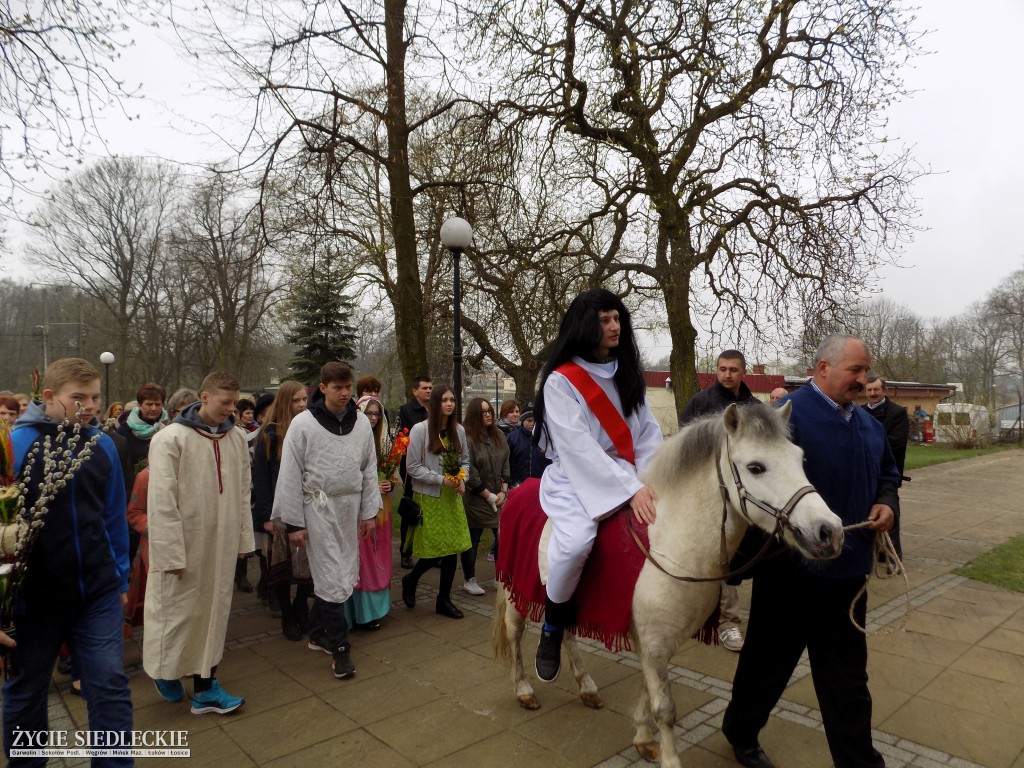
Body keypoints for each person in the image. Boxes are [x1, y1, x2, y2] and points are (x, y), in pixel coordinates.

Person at [722, 334, 898, 768]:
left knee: (848, 682)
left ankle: (859, 761)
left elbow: (889, 475)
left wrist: (887, 502)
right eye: (855, 371)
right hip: (789, 575)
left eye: (865, 371)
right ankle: (741, 734)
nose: (863, 379)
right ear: (823, 369)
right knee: (766, 667)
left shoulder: (870, 426)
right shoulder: (784, 418)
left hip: (849, 576)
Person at [5, 358, 133, 765]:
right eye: (78, 398)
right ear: (49, 398)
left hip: (95, 591)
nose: (90, 406)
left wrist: (121, 578)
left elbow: (113, 516)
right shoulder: (15, 445)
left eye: (95, 397)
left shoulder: (102, 444)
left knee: (110, 683)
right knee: (27, 690)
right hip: (32, 598)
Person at [531, 288, 662, 682]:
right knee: (575, 545)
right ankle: (553, 626)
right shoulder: (560, 381)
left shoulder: (627, 374)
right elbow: (577, 447)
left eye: (617, 318)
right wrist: (628, 488)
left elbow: (649, 435)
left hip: (630, 477)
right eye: (605, 320)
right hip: (575, 479)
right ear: (586, 326)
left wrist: (649, 481)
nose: (614, 326)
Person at [143, 371, 254, 715]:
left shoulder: (235, 437)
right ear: (204, 397)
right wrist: (170, 552)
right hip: (185, 545)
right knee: (177, 614)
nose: (231, 409)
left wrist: (242, 538)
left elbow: (243, 489)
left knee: (214, 614)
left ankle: (206, 688)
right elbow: (161, 501)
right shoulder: (170, 439)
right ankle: (166, 671)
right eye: (225, 402)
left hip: (220, 546)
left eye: (234, 402)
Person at [272, 362, 379, 679]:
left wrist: (369, 512)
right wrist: (293, 523)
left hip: (350, 508)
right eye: (337, 387)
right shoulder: (303, 424)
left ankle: (318, 634)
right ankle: (340, 650)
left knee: (344, 573)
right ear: (323, 388)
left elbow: (369, 468)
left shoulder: (360, 423)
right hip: (317, 509)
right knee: (331, 577)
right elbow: (290, 473)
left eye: (348, 387)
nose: (345, 393)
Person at [678, 349, 758, 653]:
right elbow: (683, 446)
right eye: (722, 369)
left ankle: (729, 622)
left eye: (733, 370)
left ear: (743, 372)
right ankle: (693, 614)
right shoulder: (700, 402)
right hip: (702, 493)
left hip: (739, 498)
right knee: (699, 554)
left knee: (730, 559)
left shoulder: (752, 408)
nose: (727, 374)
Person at [400, 384, 472, 620]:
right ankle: (411, 580)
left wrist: (462, 479)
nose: (449, 404)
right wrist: (441, 480)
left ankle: (444, 599)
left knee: (452, 549)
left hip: (453, 498)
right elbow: (412, 468)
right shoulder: (420, 430)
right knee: (434, 550)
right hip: (430, 497)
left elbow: (465, 462)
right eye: (444, 400)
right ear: (434, 404)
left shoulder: (458, 431)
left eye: (452, 400)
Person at [251, 380, 311, 638]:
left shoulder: (310, 428)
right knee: (282, 567)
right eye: (296, 400)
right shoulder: (270, 433)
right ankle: (287, 614)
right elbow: (262, 478)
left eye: (304, 399)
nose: (301, 405)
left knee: (309, 563)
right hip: (280, 509)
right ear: (285, 402)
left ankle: (301, 607)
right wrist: (266, 516)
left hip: (308, 507)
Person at [346, 397, 395, 630]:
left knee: (378, 559)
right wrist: (371, 487)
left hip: (382, 511)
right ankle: (358, 612)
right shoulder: (350, 440)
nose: (373, 418)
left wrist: (390, 484)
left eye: (377, 413)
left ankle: (374, 609)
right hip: (359, 511)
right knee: (362, 560)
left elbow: (393, 475)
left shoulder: (383, 443)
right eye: (368, 413)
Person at [460, 397, 510, 595]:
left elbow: (506, 462)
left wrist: (503, 490)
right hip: (476, 498)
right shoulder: (468, 439)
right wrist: (488, 495)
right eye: (483, 412)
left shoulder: (499, 436)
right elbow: (470, 472)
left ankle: (501, 576)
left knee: (502, 537)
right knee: (473, 538)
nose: (488, 414)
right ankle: (469, 579)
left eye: (489, 410)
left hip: (499, 496)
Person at [863, 376, 909, 557]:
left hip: (887, 474)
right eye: (869, 390)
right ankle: (872, 552)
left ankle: (892, 556)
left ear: (884, 390)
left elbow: (895, 444)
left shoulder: (897, 413)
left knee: (888, 513)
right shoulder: (860, 411)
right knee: (867, 516)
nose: (873, 393)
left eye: (876, 390)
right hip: (865, 473)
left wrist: (865, 448)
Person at [395, 376, 432, 568]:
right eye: (424, 388)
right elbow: (403, 437)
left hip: (433, 466)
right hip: (412, 467)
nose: (428, 391)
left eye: (430, 388)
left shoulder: (435, 409)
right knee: (411, 508)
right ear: (414, 391)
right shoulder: (406, 410)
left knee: (431, 509)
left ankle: (430, 551)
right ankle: (406, 551)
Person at [506, 408, 550, 487]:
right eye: (529, 420)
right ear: (523, 421)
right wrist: (511, 481)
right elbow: (506, 462)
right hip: (518, 484)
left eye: (536, 421)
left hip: (541, 484)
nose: (533, 423)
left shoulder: (545, 438)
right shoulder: (512, 438)